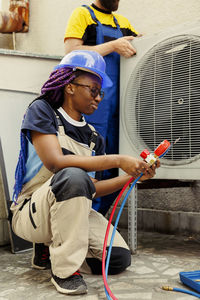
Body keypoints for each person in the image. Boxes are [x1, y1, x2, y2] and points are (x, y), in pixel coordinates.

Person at [11, 50, 159, 295]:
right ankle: (65, 272)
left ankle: (50, 252)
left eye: (101, 92)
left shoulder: (93, 137)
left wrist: (133, 177)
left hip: (71, 207)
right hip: (32, 211)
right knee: (72, 174)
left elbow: (90, 189)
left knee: (118, 259)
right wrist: (119, 159)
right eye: (93, 90)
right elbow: (56, 162)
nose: (99, 98)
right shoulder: (43, 110)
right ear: (70, 86)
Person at [64, 0, 140, 215]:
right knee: (90, 164)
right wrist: (113, 45)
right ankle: (82, 217)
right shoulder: (82, 15)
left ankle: (99, 218)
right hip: (92, 107)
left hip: (120, 109)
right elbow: (71, 53)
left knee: (114, 167)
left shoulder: (123, 23)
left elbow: (140, 47)